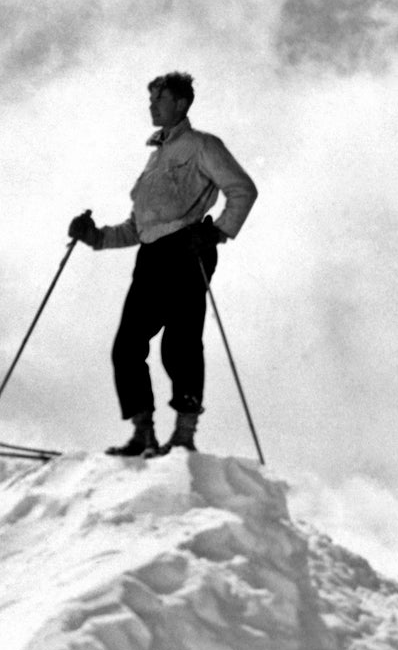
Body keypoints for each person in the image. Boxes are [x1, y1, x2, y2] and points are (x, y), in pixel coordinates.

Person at [68, 71, 257, 456]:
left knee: (180, 342)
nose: (151, 105)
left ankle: (184, 434)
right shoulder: (156, 158)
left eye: (159, 98)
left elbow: (242, 189)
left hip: (188, 249)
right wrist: (96, 236)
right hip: (153, 254)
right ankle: (144, 433)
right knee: (127, 344)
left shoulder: (202, 145)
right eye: (151, 99)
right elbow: (140, 227)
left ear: (181, 103)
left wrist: (216, 232)